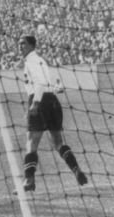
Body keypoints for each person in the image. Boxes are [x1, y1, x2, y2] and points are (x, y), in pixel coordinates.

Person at [18, 35, 88, 192]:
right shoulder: (40, 60)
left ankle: (29, 181)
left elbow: (40, 82)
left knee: (31, 142)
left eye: (23, 44)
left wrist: (35, 103)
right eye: (19, 44)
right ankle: (75, 169)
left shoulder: (31, 61)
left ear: (31, 45)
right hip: (52, 100)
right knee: (58, 142)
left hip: (40, 100)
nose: (20, 47)